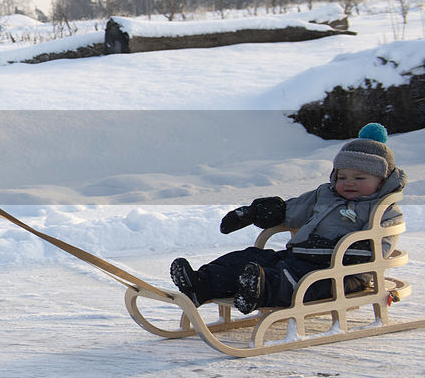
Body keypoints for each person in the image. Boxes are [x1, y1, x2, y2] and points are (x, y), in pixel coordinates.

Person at [169, 123, 404, 315]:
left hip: (342, 273)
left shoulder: (385, 211)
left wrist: (329, 249)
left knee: (292, 280)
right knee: (251, 258)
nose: (348, 183)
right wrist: (254, 212)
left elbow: (377, 248)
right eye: (342, 176)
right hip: (297, 257)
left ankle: (256, 293)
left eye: (359, 177)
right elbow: (291, 209)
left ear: (381, 180)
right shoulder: (325, 194)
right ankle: (202, 283)